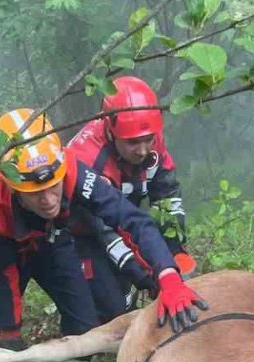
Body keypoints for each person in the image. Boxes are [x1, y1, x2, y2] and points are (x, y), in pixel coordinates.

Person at [0, 108, 201, 347]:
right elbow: (1, 273)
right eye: (35, 193)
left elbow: (131, 218)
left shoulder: (71, 169)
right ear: (14, 187)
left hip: (51, 236)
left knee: (85, 329)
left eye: (53, 187)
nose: (48, 201)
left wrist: (166, 273)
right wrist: (10, 331)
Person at [67, 75, 188, 320]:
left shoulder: (151, 136)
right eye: (133, 143)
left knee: (133, 291)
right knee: (112, 310)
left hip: (124, 216)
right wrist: (150, 276)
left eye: (148, 140)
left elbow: (166, 195)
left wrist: (174, 253)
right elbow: (106, 232)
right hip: (81, 233)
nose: (143, 150)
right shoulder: (87, 157)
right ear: (111, 131)